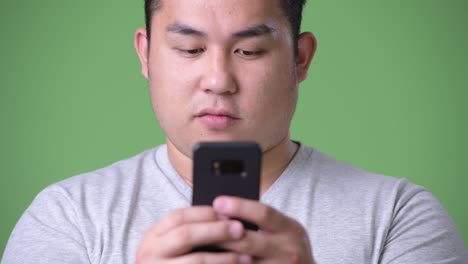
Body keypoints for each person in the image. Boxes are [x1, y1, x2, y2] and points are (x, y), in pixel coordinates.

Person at [2, 0, 467, 263]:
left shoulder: (397, 217)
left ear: (299, 59)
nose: (218, 80)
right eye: (189, 49)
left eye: (249, 51)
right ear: (145, 55)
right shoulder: (67, 218)